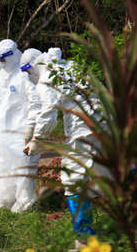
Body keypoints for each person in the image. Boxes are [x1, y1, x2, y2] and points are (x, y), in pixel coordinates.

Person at [24, 47, 110, 234]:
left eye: (27, 71)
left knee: (73, 177)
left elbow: (48, 114)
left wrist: (36, 140)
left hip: (83, 128)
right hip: (103, 123)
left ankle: (84, 234)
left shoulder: (47, 78)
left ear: (32, 67)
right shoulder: (68, 66)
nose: (28, 76)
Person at [0, 39, 41, 213]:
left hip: (21, 132)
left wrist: (31, 126)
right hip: (4, 133)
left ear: (11, 56)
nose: (1, 64)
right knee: (5, 164)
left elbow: (36, 102)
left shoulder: (26, 72)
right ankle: (5, 197)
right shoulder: (2, 75)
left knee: (24, 162)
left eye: (3, 60)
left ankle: (26, 200)